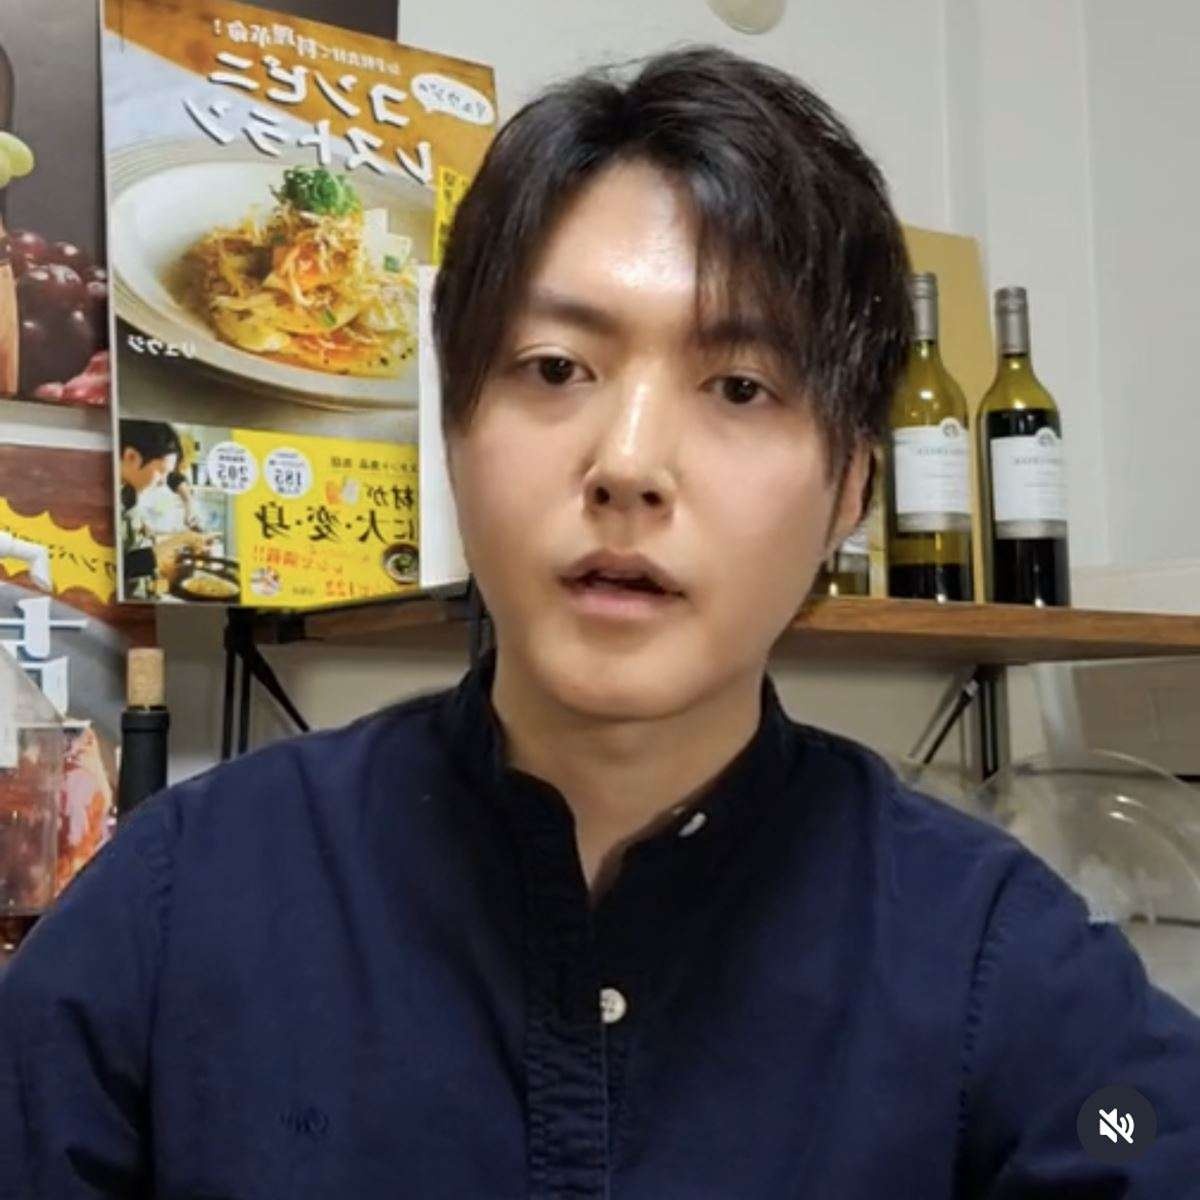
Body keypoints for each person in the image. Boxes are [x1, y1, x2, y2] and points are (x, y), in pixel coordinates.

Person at [2, 46, 1198, 1198]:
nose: (627, 464)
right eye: (555, 368)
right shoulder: (181, 901)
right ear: (454, 433)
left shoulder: (995, 959)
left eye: (739, 387)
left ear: (851, 492)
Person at [118, 420, 208, 598]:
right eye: (161, 473)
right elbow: (121, 566)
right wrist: (181, 539)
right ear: (131, 457)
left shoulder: (128, 491)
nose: (163, 482)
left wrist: (189, 504)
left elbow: (173, 477)